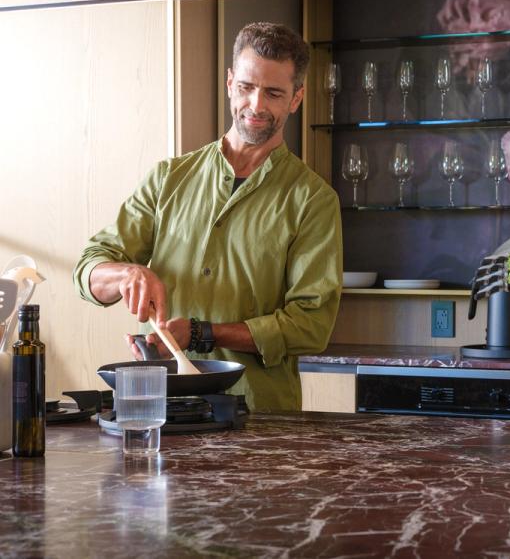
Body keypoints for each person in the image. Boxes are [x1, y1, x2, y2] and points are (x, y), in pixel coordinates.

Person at [74, 22, 342, 412]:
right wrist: (126, 275)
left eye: (273, 93)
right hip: (165, 412)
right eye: (247, 87)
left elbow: (311, 325)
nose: (256, 106)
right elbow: (88, 269)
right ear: (230, 82)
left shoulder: (313, 200)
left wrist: (201, 333)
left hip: (260, 419)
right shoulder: (168, 178)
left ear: (296, 98)